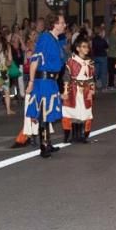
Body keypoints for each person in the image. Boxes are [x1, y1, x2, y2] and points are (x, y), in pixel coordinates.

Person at [25, 13, 67, 158]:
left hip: (52, 81)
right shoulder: (45, 38)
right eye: (61, 23)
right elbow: (35, 61)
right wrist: (31, 82)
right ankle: (43, 146)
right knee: (43, 112)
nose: (64, 25)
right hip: (43, 81)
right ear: (54, 24)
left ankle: (47, 142)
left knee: (48, 113)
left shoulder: (57, 40)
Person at [62, 37, 95, 144]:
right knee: (71, 112)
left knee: (84, 112)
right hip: (73, 89)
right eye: (84, 47)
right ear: (78, 48)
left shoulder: (89, 62)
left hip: (85, 90)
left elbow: (91, 78)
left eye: (87, 47)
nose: (87, 49)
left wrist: (92, 88)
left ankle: (81, 136)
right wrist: (65, 91)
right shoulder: (71, 61)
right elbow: (67, 76)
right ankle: (69, 136)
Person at [91, 25, 110, 90]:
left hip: (95, 56)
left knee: (96, 72)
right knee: (103, 72)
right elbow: (107, 48)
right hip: (103, 56)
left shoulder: (93, 40)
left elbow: (92, 48)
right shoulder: (102, 40)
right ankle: (104, 86)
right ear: (100, 32)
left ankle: (95, 85)